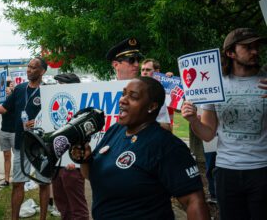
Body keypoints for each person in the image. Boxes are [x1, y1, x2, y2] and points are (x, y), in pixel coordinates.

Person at [71, 76, 210, 219]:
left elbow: (193, 201)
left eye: (133, 96)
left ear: (151, 106)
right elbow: (91, 175)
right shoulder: (115, 130)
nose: (123, 99)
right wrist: (85, 160)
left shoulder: (167, 146)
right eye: (124, 93)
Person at [182, 28, 267, 219]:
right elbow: (208, 134)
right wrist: (193, 119)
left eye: (256, 47)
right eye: (248, 47)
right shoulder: (215, 85)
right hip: (226, 170)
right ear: (230, 52)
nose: (255, 51)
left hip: (262, 169)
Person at [0, 57, 50, 220]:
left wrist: (39, 122)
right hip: (21, 143)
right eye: (28, 67)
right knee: (17, 183)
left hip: (41, 145)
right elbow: (3, 108)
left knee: (44, 184)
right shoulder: (19, 89)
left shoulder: (48, 91)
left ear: (43, 71)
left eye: (34, 67)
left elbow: (55, 117)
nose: (29, 70)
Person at [106, 37, 172, 131]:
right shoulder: (103, 90)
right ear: (116, 65)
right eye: (131, 60)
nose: (137, 64)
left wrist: (144, 122)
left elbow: (167, 128)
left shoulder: (150, 90)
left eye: (138, 60)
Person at [51, 73, 89, 220]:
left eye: (62, 85)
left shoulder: (83, 109)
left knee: (77, 209)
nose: (58, 89)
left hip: (73, 164)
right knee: (63, 207)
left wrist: (76, 159)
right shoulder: (52, 104)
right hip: (57, 164)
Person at [0, 80, 15, 188]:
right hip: (4, 131)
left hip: (15, 132)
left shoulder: (16, 97)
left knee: (19, 156)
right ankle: (6, 180)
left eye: (10, 86)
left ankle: (19, 179)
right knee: (6, 156)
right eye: (6, 87)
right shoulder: (3, 98)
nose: (8, 89)